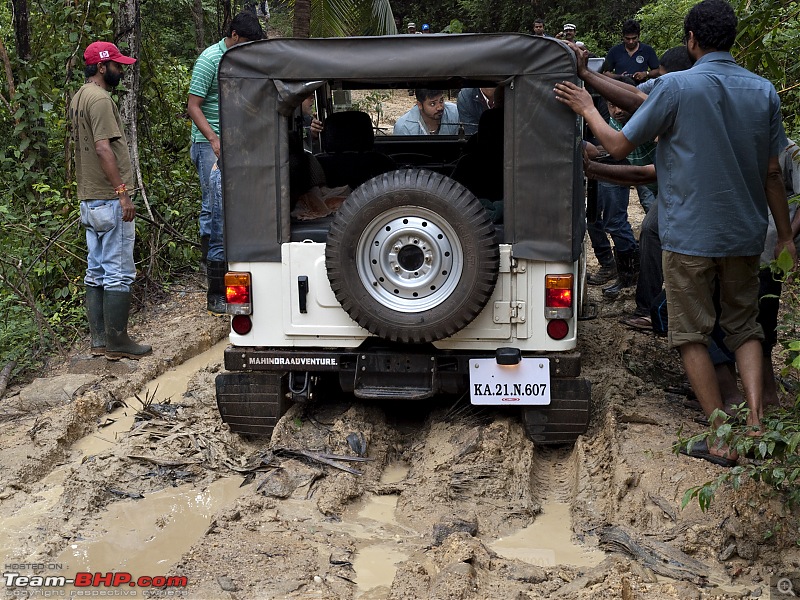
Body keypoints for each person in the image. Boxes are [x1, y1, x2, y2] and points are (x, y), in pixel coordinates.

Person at [555, 0, 796, 465]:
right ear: (731, 38)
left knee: (690, 335)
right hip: (746, 234)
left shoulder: (674, 86)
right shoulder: (764, 91)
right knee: (745, 327)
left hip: (689, 237)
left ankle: (721, 437)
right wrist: (784, 236)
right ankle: (756, 426)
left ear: (691, 39)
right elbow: (771, 174)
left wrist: (587, 105)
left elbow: (619, 146)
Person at [70, 41, 152, 360]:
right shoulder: (101, 100)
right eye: (117, 65)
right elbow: (103, 148)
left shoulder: (79, 96)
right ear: (102, 67)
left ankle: (99, 340)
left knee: (96, 271)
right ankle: (118, 342)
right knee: (118, 270)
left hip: (88, 199)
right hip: (108, 198)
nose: (122, 70)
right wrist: (122, 192)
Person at [188, 11, 264, 312]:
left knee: (230, 209)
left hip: (236, 142)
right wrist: (214, 140)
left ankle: (230, 273)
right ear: (233, 36)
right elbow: (193, 106)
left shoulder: (242, 58)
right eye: (243, 42)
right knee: (214, 210)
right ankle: (215, 290)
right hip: (210, 144)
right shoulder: (209, 60)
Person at [393, 89, 460, 136]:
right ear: (420, 105)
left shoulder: (454, 112)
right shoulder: (404, 127)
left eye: (441, 101)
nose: (440, 107)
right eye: (433, 104)